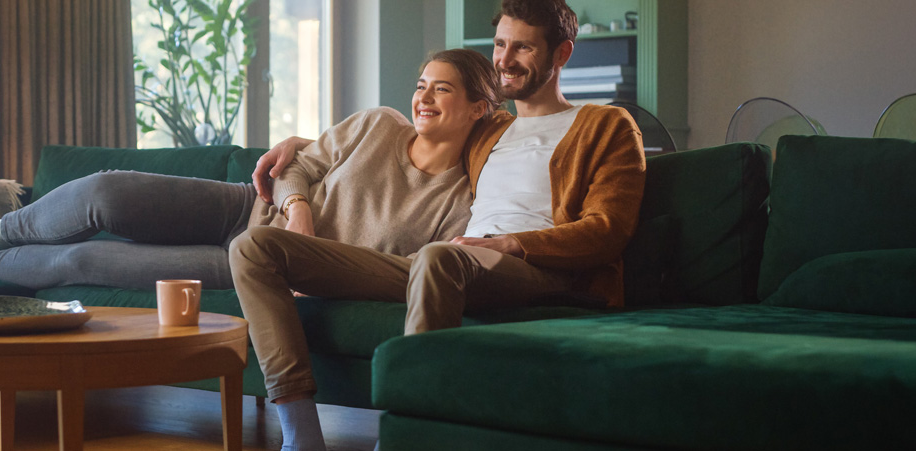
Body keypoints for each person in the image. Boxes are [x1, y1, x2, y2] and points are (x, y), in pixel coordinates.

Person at [231, 0, 646, 449]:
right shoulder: (491, 128)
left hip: (538, 270)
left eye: (522, 48)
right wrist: (303, 145)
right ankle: (301, 433)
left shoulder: (606, 125)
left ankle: (408, 437)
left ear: (561, 54)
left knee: (440, 256)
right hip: (444, 262)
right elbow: (421, 132)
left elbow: (607, 229)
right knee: (254, 247)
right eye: (500, 44)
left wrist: (510, 244)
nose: (504, 60)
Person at [0, 48, 502, 292]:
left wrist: (306, 253)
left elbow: (415, 267)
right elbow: (298, 166)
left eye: (442, 90)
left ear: (479, 107)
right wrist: (299, 206)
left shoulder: (462, 200)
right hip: (244, 209)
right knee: (105, 192)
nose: (423, 97)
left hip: (260, 262)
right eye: (421, 83)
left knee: (86, 265)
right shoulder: (378, 124)